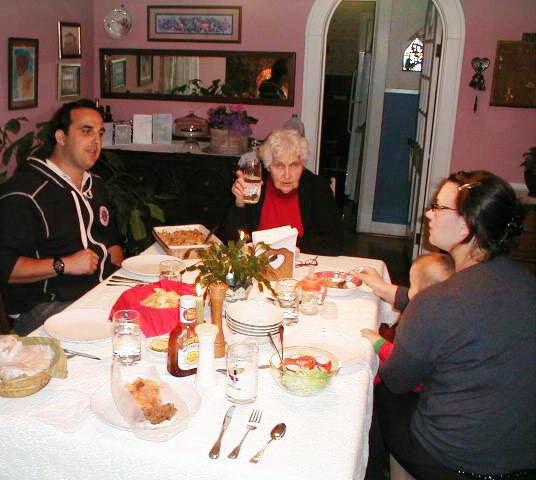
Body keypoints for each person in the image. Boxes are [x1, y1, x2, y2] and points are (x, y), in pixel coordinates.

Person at [355, 170, 535, 480]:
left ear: (466, 227)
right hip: (524, 457)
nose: (428, 214)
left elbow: (398, 379)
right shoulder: (524, 280)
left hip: (454, 460)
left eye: (438, 207)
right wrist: (390, 291)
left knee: (376, 394)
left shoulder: (439, 300)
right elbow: (465, 316)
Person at [0, 99, 124, 335]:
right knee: (120, 337)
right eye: (86, 131)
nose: (96, 141)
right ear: (61, 137)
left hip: (96, 293)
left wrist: (117, 282)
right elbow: (3, 267)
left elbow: (112, 241)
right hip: (44, 307)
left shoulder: (96, 185)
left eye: (100, 133)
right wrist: (64, 265)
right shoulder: (24, 194)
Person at [219, 128, 342, 255]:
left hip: (302, 262)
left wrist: (288, 247)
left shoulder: (317, 188)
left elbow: (335, 242)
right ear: (268, 166)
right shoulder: (254, 187)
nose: (287, 175)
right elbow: (229, 242)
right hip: (258, 262)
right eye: (279, 165)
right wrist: (239, 204)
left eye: (294, 165)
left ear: (303, 166)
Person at [360, 252, 455, 390]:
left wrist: (378, 342)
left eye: (412, 286)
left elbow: (402, 363)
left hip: (418, 385)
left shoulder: (420, 326)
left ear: (420, 294)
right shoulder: (448, 311)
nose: (409, 291)